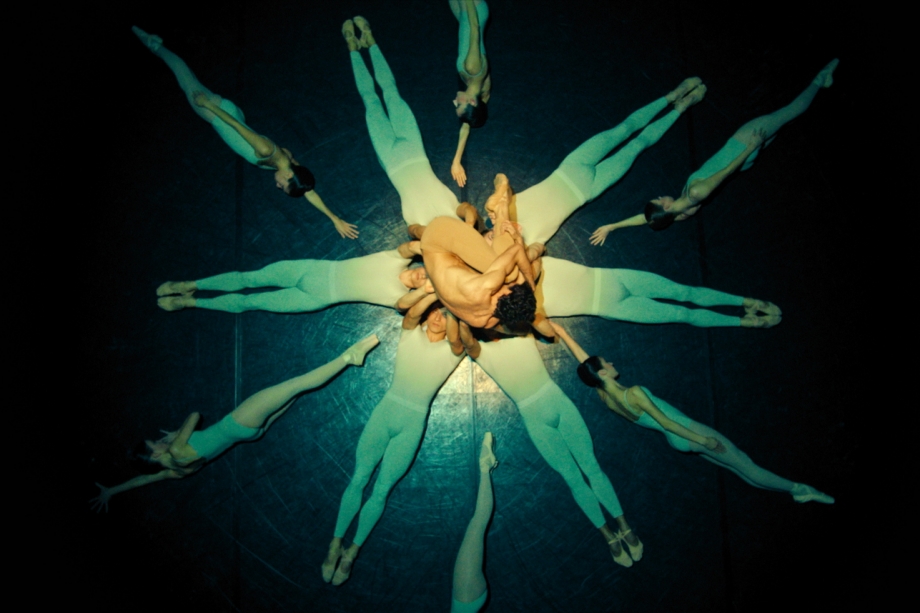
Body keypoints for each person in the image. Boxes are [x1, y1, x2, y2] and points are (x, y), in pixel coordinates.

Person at [551, 322, 834, 504]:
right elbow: (666, 421)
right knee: (745, 463)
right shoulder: (633, 392)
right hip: (687, 431)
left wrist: (564, 334)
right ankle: (798, 488)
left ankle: (793, 492)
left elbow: (587, 365)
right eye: (607, 363)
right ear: (603, 372)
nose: (612, 362)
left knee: (736, 467)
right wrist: (702, 439)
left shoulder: (605, 396)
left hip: (676, 441)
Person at [89, 335, 379, 512]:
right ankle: (348, 357)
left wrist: (112, 491)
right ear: (154, 453)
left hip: (250, 435)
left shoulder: (173, 472)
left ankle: (346, 359)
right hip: (239, 421)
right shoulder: (175, 449)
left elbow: (143, 479)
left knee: (298, 392)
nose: (158, 440)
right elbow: (195, 415)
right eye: (155, 443)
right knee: (296, 384)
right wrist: (177, 433)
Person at [130, 26, 358, 239]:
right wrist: (208, 106)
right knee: (183, 74)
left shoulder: (289, 163)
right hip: (219, 114)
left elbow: (309, 191)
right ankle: (154, 44)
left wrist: (334, 219)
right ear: (289, 175)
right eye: (283, 186)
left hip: (233, 114)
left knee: (186, 79)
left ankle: (155, 46)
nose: (278, 186)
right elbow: (236, 128)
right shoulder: (267, 151)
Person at [590, 59, 839, 240]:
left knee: (779, 125)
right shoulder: (695, 193)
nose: (659, 196)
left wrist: (613, 226)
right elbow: (728, 171)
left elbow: (647, 219)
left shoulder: (679, 214)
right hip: (740, 148)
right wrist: (751, 146)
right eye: (658, 199)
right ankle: (821, 79)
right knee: (787, 113)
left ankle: (816, 88)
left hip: (744, 159)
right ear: (665, 206)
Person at [322, 293, 466, 586]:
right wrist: (437, 292)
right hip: (385, 414)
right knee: (359, 477)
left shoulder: (455, 350)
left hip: (412, 426)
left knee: (382, 490)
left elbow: (457, 336)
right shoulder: (411, 334)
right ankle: (335, 544)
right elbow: (411, 313)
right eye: (436, 311)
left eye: (446, 315)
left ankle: (352, 552)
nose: (438, 317)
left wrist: (453, 306)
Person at [473, 335, 643, 567]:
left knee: (592, 466)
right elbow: (461, 338)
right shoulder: (479, 349)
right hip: (534, 418)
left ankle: (624, 526)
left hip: (558, 403)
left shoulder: (519, 331)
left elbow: (540, 323)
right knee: (572, 478)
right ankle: (608, 536)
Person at [482, 78, 707, 247]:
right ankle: (681, 107)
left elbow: (500, 178)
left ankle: (672, 95)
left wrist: (500, 196)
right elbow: (534, 256)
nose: (493, 237)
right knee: (637, 146)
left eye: (488, 236)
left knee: (624, 129)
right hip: (589, 189)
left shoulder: (496, 210)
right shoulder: (525, 246)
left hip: (571, 167)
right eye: (492, 243)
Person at [344, 17, 469, 232]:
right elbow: (469, 210)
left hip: (391, 158)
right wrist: (470, 226)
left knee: (371, 101)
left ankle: (352, 48)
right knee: (392, 93)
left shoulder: (422, 230)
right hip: (414, 150)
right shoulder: (457, 214)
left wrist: (430, 240)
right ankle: (371, 41)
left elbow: (413, 233)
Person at [155, 241, 428, 313]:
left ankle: (189, 302)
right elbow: (414, 246)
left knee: (251, 302)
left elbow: (405, 306)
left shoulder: (398, 296)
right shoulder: (397, 259)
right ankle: (190, 284)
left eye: (428, 281)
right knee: (249, 278)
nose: (422, 275)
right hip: (310, 269)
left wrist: (431, 291)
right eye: (427, 270)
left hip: (315, 297)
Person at [539, 256, 782, 327]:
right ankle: (743, 322)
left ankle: (747, 301)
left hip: (613, 277)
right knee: (682, 315)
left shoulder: (525, 259)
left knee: (683, 291)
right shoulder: (522, 310)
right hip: (613, 307)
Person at [450, 432, 498, 613]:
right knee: (477, 524)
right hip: (466, 600)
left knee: (477, 525)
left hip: (466, 600)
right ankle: (485, 467)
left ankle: (486, 467)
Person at [449, 0, 492, 188]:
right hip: (474, 11)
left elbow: (466, 126)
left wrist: (456, 160)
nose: (455, 101)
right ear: (472, 102)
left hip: (463, 19)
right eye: (459, 104)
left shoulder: (482, 94)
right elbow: (474, 28)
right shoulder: (472, 68)